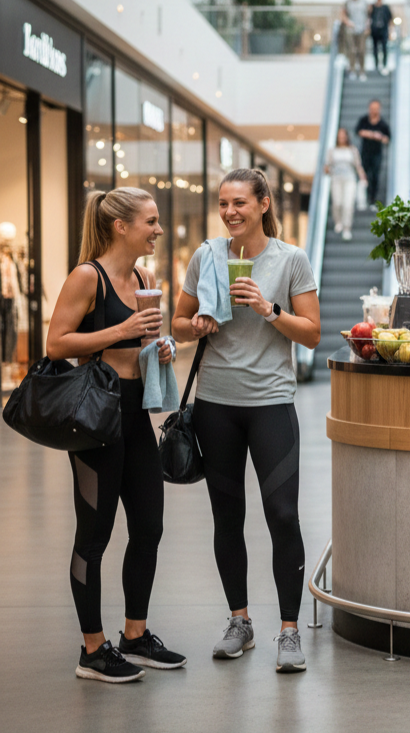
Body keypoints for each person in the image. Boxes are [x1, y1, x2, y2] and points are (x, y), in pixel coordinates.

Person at [171, 169, 321, 673]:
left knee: (282, 514)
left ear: (263, 204)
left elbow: (312, 333)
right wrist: (196, 324)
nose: (230, 212)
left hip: (271, 403)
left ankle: (289, 630)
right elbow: (178, 323)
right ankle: (240, 621)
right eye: (223, 203)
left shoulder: (290, 259)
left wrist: (269, 309)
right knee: (227, 517)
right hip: (215, 403)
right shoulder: (206, 256)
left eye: (239, 202)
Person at [46, 188, 184, 683]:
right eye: (151, 221)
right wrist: (120, 331)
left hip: (135, 410)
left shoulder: (144, 278)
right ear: (121, 226)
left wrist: (161, 347)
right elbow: (56, 343)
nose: (158, 229)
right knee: (94, 535)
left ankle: (135, 636)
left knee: (149, 526)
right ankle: (92, 649)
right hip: (96, 417)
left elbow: (143, 343)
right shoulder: (89, 277)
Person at [325, 128, 367, 239]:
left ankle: (347, 228)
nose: (342, 138)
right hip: (336, 179)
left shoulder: (352, 150)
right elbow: (327, 165)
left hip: (350, 179)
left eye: (343, 135)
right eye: (340, 135)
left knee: (348, 204)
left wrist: (362, 177)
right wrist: (327, 169)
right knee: (337, 202)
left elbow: (358, 165)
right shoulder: (332, 150)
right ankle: (338, 221)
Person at [356, 99, 391, 205]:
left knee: (375, 176)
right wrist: (371, 134)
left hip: (376, 154)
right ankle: (363, 198)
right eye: (372, 108)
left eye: (376, 109)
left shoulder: (383, 124)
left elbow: (387, 139)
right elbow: (358, 131)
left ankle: (372, 199)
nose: (374, 111)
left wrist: (380, 137)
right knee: (364, 175)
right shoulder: (364, 120)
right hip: (365, 153)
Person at [341, 0, 370, 81]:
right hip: (351, 30)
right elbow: (343, 15)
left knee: (361, 51)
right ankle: (352, 70)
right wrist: (348, 22)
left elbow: (368, 16)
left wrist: (367, 27)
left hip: (362, 30)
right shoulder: (348, 3)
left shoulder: (364, 3)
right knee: (352, 50)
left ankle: (362, 71)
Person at [369, 0, 393, 74]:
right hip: (375, 31)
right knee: (375, 48)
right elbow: (369, 17)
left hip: (384, 30)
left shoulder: (385, 7)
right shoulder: (372, 7)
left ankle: (384, 65)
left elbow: (390, 19)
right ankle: (376, 65)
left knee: (384, 48)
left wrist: (391, 31)